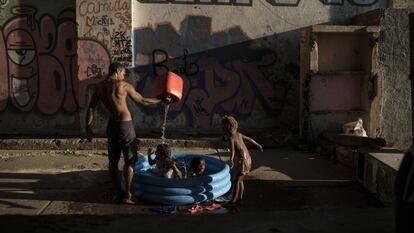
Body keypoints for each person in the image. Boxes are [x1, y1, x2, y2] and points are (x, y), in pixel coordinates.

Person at [85, 62, 171, 204]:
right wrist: (161, 99)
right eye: (124, 72)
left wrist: (88, 128)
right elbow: (143, 101)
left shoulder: (99, 87)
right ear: (118, 71)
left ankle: (118, 193)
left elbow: (91, 108)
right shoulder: (123, 85)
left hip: (111, 126)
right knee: (130, 160)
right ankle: (127, 196)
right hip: (125, 126)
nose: (124, 75)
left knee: (113, 161)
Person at [221, 115, 263, 207]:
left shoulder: (231, 138)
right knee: (241, 180)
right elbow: (250, 139)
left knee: (236, 181)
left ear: (227, 128)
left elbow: (232, 151)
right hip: (248, 160)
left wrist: (231, 160)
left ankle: (233, 201)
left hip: (242, 161)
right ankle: (239, 199)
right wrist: (258, 145)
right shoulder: (239, 134)